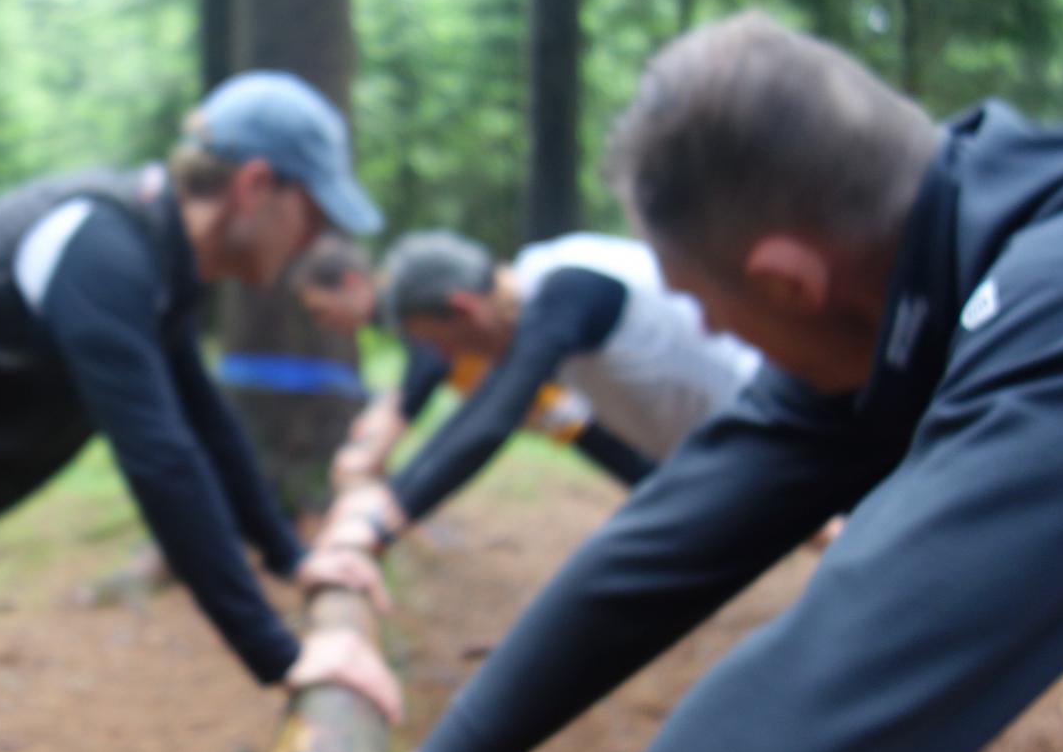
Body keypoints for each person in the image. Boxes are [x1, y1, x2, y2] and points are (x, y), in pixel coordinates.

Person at [203, 12, 1063, 752]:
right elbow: (664, 544)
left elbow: (844, 669)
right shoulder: (923, 266)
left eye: (706, 304)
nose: (713, 334)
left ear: (788, 280)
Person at [0, 72, 400, 720]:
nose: (315, 241)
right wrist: (282, 656)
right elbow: (161, 458)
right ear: (254, 186)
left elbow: (205, 424)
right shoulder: (101, 247)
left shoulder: (156, 258)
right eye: (314, 215)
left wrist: (292, 558)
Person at [303, 228, 760, 554]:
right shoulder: (538, 298)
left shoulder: (568, 288)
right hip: (729, 450)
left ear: (465, 307)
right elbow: (489, 407)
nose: (447, 356)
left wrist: (385, 519)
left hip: (771, 424)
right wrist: (393, 497)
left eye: (443, 343)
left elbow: (496, 415)